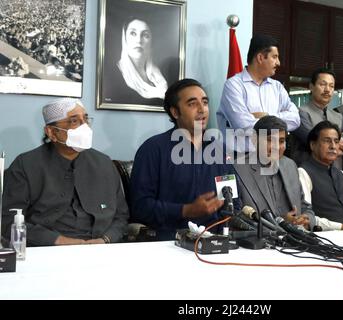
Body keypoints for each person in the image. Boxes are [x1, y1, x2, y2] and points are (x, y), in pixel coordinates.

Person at [1, 98, 129, 246]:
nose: (84, 127)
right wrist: (59, 241)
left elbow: (121, 216)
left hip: (101, 247)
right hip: (48, 249)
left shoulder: (104, 163)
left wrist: (105, 239)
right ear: (51, 132)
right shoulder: (25, 165)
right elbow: (8, 221)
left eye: (85, 119)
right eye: (74, 121)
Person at [129, 79, 237, 241]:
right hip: (169, 242)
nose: (202, 110)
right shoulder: (153, 149)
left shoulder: (220, 151)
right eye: (192, 104)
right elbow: (140, 207)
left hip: (216, 240)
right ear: (175, 112)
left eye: (205, 102)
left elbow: (233, 200)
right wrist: (185, 210)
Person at [216, 34, 300, 153]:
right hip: (239, 157)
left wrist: (266, 116)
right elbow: (243, 126)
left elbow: (295, 119)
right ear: (260, 58)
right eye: (275, 57)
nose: (278, 63)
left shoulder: (277, 87)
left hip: (272, 156)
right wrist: (278, 122)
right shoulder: (234, 85)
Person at [234, 116, 316, 230]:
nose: (277, 147)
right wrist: (281, 222)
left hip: (295, 238)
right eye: (270, 140)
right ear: (254, 140)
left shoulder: (290, 165)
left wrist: (306, 219)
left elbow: (305, 206)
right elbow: (234, 216)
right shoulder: (237, 169)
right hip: (259, 243)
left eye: (281, 141)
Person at [298, 121, 343, 231]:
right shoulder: (303, 172)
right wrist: (342, 227)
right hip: (325, 238)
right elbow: (306, 217)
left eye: (336, 142)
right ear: (313, 145)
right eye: (327, 141)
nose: (333, 146)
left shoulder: (341, 174)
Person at [290, 68, 343, 167]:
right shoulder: (299, 113)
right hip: (308, 174)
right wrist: (341, 142)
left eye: (331, 86)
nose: (327, 90)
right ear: (311, 86)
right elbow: (312, 139)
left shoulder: (338, 116)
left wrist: (337, 140)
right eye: (323, 84)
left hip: (335, 173)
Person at [103, 16, 168, 106]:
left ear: (151, 41)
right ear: (124, 38)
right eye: (133, 33)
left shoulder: (159, 76)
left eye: (145, 35)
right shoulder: (112, 75)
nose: (139, 40)